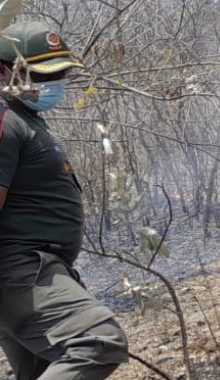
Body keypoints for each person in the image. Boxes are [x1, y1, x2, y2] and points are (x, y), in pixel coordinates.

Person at [0, 21, 129, 379]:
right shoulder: (5, 120)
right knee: (99, 341)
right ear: (3, 70)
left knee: (41, 369)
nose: (52, 84)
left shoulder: (26, 119)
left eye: (59, 74)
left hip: (38, 270)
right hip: (21, 274)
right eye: (39, 75)